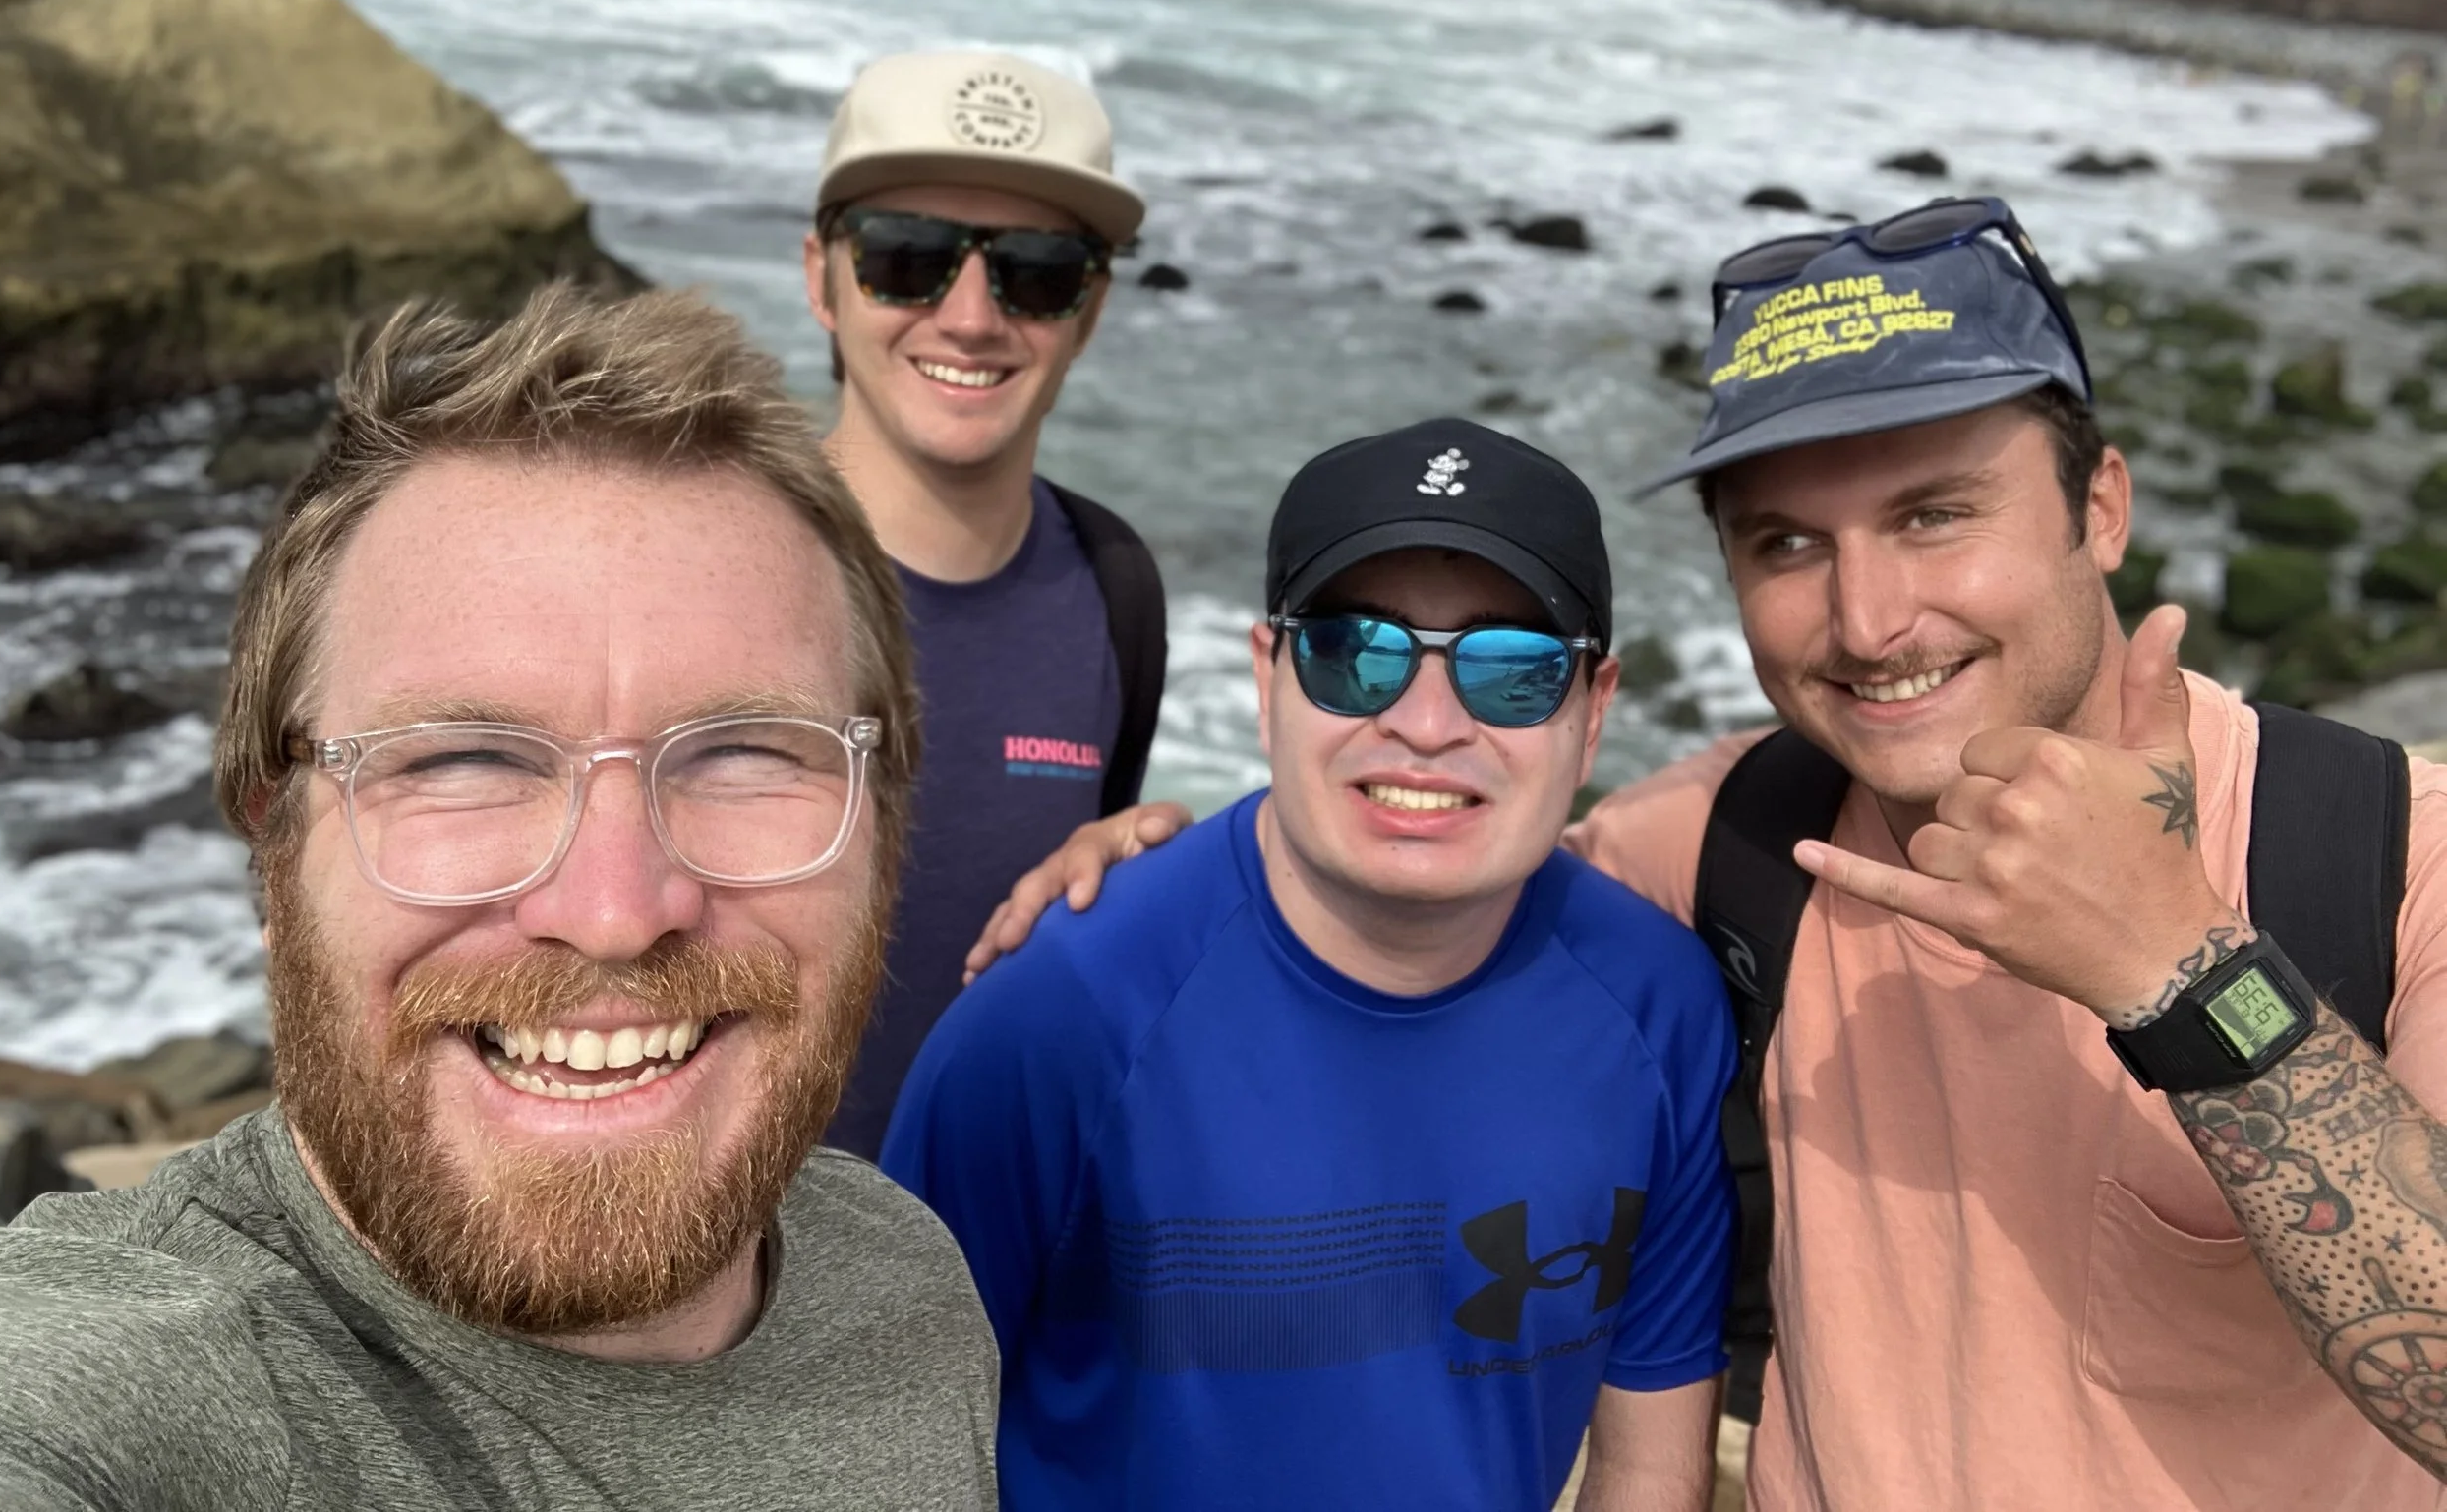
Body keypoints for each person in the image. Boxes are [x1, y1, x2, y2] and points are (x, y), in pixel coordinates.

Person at [967, 199, 2447, 1509]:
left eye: (1935, 514)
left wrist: (2185, 972)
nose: (1869, 620)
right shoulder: (1722, 847)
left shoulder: (2391, 859)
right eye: (1788, 544)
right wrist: (1162, 868)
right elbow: (1416, 859)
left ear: (2100, 506)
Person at [0, 287, 998, 1508]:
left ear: (884, 824)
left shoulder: (902, 1276)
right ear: (273, 846)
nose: (616, 910)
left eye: (740, 753)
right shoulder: (116, 1388)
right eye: (462, 761)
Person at [884, 419, 1736, 1512]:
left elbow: (1650, 1461)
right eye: (1354, 653)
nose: (1426, 724)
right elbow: (885, 1440)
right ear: (1267, 677)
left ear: (1595, 708)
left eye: (1513, 671)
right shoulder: (1057, 1018)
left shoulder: (1661, 1008)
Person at [804, 48, 1184, 1158]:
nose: (971, 317)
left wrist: (1166, 881)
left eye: (1037, 271)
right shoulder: (701, 563)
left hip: (993, 1246)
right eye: (907, 258)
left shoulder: (1113, 586)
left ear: (1090, 311)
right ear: (822, 280)